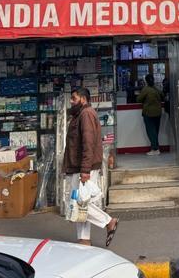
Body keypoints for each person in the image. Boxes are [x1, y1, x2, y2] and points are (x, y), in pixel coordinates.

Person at [64, 87, 119, 247]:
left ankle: (109, 221)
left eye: (74, 98)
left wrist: (85, 170)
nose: (71, 101)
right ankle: (84, 239)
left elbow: (88, 144)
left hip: (83, 167)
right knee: (81, 202)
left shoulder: (86, 114)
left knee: (79, 203)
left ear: (83, 99)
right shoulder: (80, 114)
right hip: (80, 166)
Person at [137, 74, 165, 156]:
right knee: (155, 131)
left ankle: (155, 149)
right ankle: (155, 148)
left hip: (149, 113)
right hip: (158, 113)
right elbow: (162, 96)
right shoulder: (156, 89)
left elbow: (138, 99)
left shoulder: (146, 89)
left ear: (146, 81)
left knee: (151, 132)